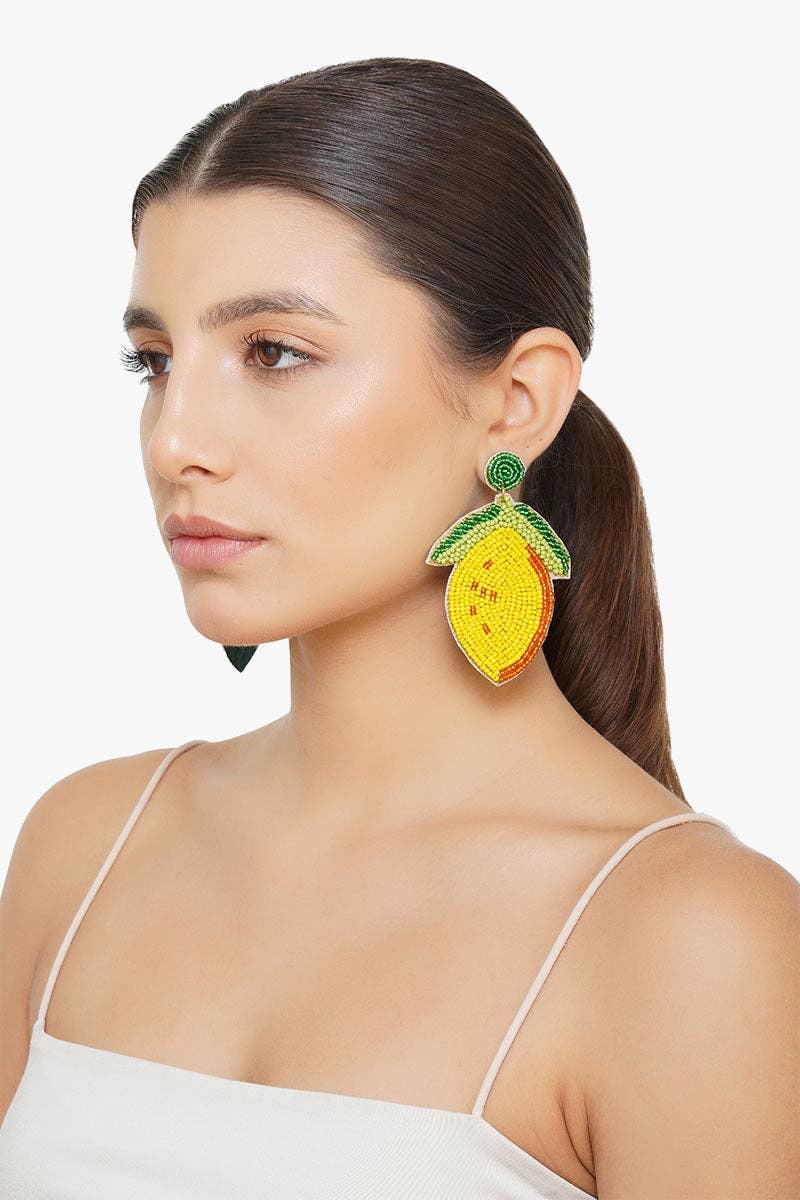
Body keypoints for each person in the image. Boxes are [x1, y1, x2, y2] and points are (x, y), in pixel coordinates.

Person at [1, 56, 797, 1200]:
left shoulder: (691, 941)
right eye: (155, 361)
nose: (175, 440)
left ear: (515, 401)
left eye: (273, 353)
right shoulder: (82, 847)